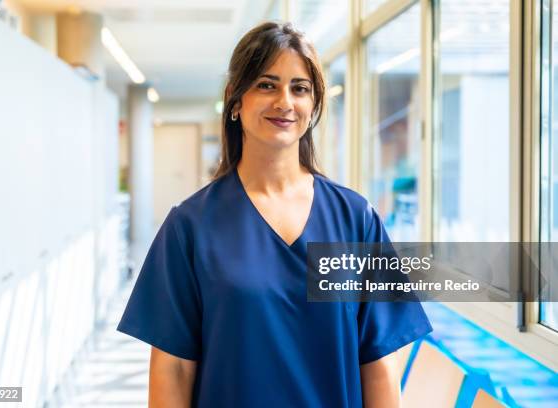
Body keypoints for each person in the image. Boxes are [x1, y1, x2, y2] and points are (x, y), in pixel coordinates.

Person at [117, 21, 432, 407]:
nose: (285, 101)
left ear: (313, 105)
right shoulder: (190, 227)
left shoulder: (355, 220)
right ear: (236, 99)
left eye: (300, 88)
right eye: (267, 85)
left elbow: (379, 362)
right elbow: (173, 368)